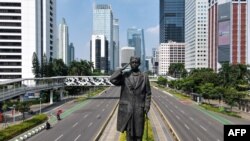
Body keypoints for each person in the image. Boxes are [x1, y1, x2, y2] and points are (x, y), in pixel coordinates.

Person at [109, 56, 151, 141]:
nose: (134, 64)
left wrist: (147, 106)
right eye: (132, 62)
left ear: (139, 64)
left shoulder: (144, 77)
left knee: (139, 134)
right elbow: (112, 79)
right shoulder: (125, 76)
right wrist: (121, 70)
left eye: (136, 62)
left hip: (139, 109)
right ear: (130, 63)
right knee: (129, 135)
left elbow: (148, 93)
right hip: (127, 110)